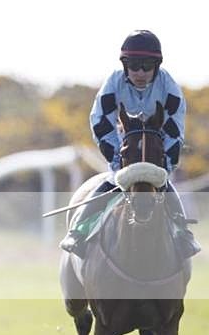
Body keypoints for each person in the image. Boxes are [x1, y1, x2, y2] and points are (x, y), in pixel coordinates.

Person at [60, 30, 200, 259]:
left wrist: (165, 164)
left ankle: (183, 234)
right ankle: (78, 231)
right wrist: (117, 160)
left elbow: (175, 128)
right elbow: (101, 121)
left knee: (166, 186)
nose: (141, 72)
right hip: (125, 146)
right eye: (134, 66)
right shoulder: (114, 82)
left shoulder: (169, 86)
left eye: (147, 66)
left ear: (157, 66)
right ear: (125, 66)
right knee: (109, 182)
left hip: (156, 149)